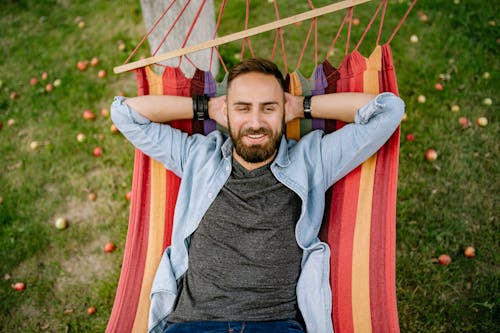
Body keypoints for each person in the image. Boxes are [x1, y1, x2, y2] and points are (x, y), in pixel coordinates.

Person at [110, 58, 405, 333]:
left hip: (274, 324)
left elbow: (387, 110)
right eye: (242, 108)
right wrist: (207, 109)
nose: (255, 123)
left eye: (268, 108)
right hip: (193, 323)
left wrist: (301, 106)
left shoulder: (313, 160)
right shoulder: (197, 157)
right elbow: (124, 113)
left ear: (284, 110)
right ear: (226, 111)